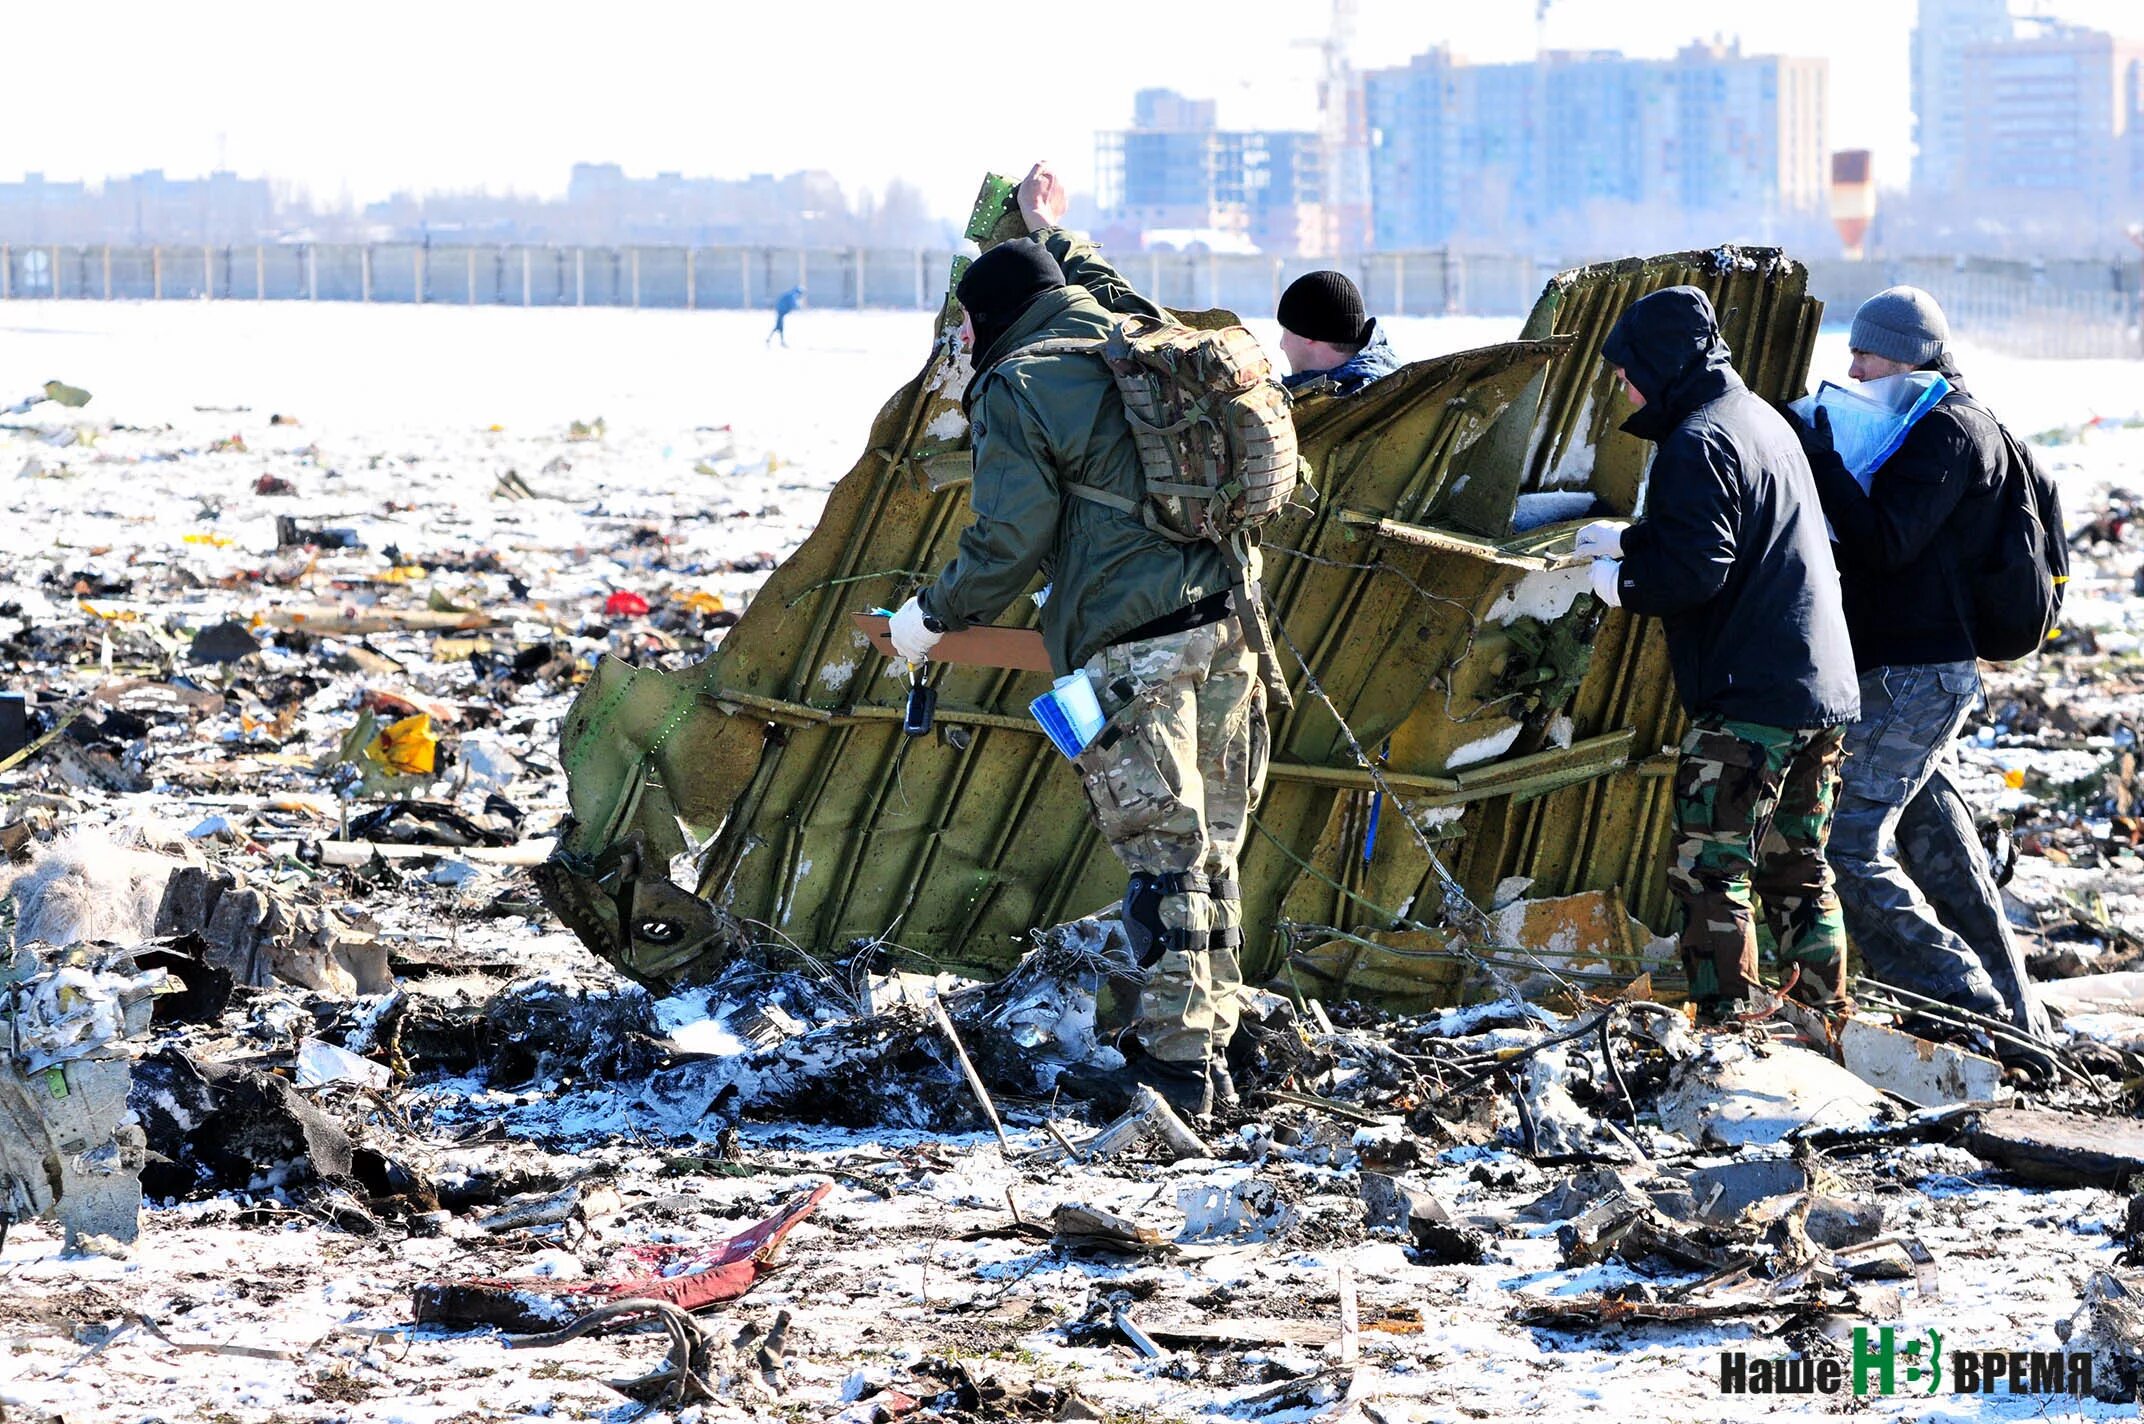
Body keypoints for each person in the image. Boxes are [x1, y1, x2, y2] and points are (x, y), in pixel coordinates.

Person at [885, 162, 1264, 1119]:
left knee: (1161, 859)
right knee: (1212, 850)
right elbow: (1095, 279)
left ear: (994, 320)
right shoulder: (1124, 330)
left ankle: (1172, 1072)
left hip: (1130, 646)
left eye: (967, 325)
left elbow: (1009, 539)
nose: (963, 342)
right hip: (1226, 627)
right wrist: (1048, 227)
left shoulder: (1018, 383)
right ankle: (1208, 1054)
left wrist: (929, 618)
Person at [1577, 286, 1861, 1021]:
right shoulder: (1759, 419)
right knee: (1797, 869)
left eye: (1626, 369)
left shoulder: (1696, 437)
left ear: (1663, 363)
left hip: (1751, 698)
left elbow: (1697, 568)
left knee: (1710, 870)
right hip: (1818, 687)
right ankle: (1825, 1018)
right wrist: (1633, 539)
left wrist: (1622, 581)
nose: (1622, 386)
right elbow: (1743, 529)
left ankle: (1728, 1027)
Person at [1783, 287, 2050, 1048]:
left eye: (1866, 352)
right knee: (1939, 848)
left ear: (1909, 351)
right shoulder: (1925, 420)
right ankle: (2017, 1016)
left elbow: (1885, 543)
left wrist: (1819, 456)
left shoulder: (1948, 431)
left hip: (1917, 676)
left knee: (1844, 841)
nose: (1854, 366)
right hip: (1908, 672)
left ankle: (1962, 1002)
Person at [1275, 271, 1399, 396]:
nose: (1281, 344)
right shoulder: (1391, 387)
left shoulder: (1351, 406)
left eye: (1285, 330)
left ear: (1307, 336)